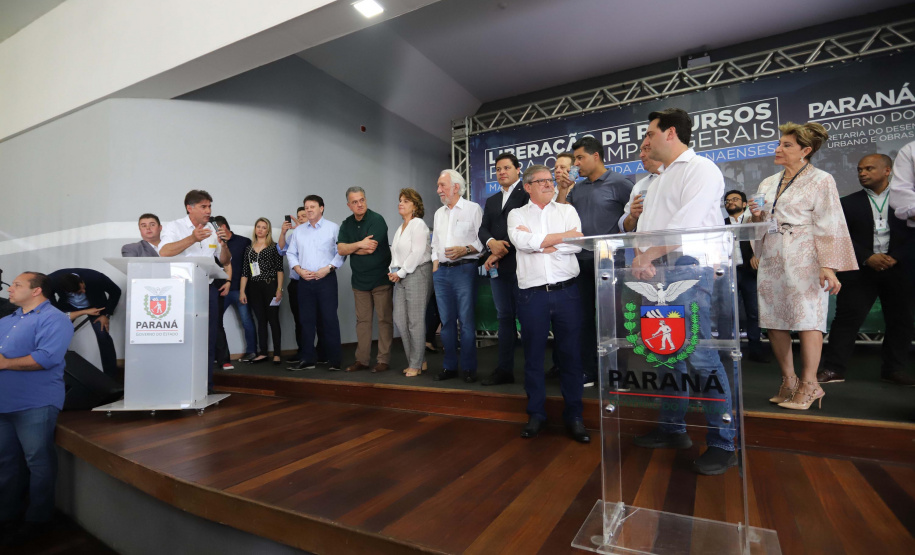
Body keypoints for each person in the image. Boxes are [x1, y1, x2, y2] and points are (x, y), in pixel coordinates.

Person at [630, 108, 738, 476]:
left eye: (650, 133)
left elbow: (687, 223)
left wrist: (648, 256)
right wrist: (641, 257)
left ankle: (724, 442)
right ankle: (673, 429)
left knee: (701, 357)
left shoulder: (701, 169)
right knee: (668, 353)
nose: (646, 140)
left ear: (670, 132)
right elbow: (645, 229)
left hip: (689, 267)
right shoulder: (657, 179)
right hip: (657, 270)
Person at [749, 122, 857, 410]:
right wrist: (756, 218)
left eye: (787, 145)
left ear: (806, 151)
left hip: (805, 254)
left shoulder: (822, 179)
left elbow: (830, 223)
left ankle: (811, 385)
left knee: (808, 319)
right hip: (772, 253)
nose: (778, 149)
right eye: (779, 143)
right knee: (773, 319)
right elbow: (758, 223)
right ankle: (789, 381)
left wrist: (829, 266)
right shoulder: (767, 182)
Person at [508, 165, 589, 443]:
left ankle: (575, 416)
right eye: (540, 181)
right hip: (532, 295)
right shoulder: (516, 214)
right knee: (532, 356)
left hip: (567, 292)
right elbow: (521, 241)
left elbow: (577, 244)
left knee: (571, 356)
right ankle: (536, 414)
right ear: (527, 186)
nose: (548, 184)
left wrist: (539, 243)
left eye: (550, 180)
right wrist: (555, 240)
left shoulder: (566, 210)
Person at [818, 154, 914, 386]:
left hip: (900, 268)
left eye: (869, 168)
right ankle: (833, 369)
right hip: (860, 270)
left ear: (887, 171)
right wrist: (867, 257)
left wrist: (895, 257)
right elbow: (841, 236)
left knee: (900, 321)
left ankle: (894, 370)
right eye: (860, 169)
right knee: (846, 320)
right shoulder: (847, 203)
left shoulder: (908, 202)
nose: (862, 173)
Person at [0, 272, 74, 543]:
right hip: (4, 402)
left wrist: (5, 363)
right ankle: (7, 515)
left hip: (35, 403)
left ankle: (38, 520)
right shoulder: (7, 320)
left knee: (38, 462)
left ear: (36, 291)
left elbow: (47, 357)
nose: (10, 289)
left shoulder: (55, 318)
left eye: (17, 285)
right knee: (6, 462)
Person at [557, 135, 632, 387]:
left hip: (611, 262)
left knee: (614, 319)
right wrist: (564, 190)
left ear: (596, 156)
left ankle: (618, 372)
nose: (576, 164)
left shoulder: (620, 183)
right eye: (575, 158)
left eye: (580, 158)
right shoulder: (577, 188)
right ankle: (589, 370)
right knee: (584, 320)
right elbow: (560, 216)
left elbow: (633, 221)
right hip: (580, 262)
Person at [159, 190, 231, 391]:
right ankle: (177, 385)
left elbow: (224, 261)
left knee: (207, 338)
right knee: (180, 338)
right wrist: (192, 238)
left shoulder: (213, 229)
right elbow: (164, 252)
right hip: (179, 290)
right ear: (189, 208)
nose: (208, 211)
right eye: (204, 206)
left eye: (210, 206)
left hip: (206, 289)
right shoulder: (175, 227)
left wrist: (223, 244)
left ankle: (205, 385)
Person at [479, 152, 529, 386]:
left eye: (506, 168)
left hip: (522, 266)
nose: (502, 172)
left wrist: (498, 251)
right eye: (498, 169)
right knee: (504, 318)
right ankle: (504, 369)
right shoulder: (491, 200)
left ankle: (533, 370)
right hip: (498, 268)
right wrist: (491, 245)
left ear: (518, 169)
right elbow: (483, 230)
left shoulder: (527, 194)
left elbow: (526, 228)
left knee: (529, 319)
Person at [431, 169, 483, 383]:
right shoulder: (438, 213)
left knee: (467, 322)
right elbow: (434, 244)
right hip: (441, 272)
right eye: (438, 186)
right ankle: (449, 366)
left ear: (456, 187)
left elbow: (483, 241)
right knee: (446, 322)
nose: (438, 190)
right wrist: (435, 264)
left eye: (442, 185)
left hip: (464, 270)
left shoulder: (473, 209)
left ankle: (469, 368)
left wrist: (466, 249)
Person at [336, 187, 394, 373]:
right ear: (349, 205)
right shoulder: (346, 224)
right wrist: (360, 244)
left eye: (362, 200)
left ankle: (383, 360)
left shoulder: (377, 220)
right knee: (362, 322)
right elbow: (340, 250)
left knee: (384, 320)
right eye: (355, 202)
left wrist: (352, 247)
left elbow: (370, 249)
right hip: (359, 281)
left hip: (380, 279)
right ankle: (362, 360)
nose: (359, 204)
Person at [286, 195, 344, 371]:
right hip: (304, 281)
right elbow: (291, 253)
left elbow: (340, 252)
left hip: (325, 279)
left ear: (322, 208)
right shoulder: (299, 231)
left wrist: (329, 268)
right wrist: (298, 270)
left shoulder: (333, 228)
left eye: (312, 207)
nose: (309, 210)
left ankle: (334, 361)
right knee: (306, 321)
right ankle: (308, 359)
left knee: (329, 320)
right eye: (306, 207)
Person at [388, 188, 433, 377]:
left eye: (406, 201)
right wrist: (391, 271)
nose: (401, 203)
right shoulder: (400, 227)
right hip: (400, 275)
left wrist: (402, 271)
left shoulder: (418, 224)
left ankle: (415, 363)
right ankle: (418, 360)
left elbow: (416, 253)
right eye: (400, 200)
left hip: (417, 273)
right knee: (400, 319)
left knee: (415, 321)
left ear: (415, 205)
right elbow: (395, 253)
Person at [721, 189, 768, 363]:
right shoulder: (720, 223)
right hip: (727, 273)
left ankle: (755, 351)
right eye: (727, 200)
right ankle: (725, 352)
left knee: (754, 312)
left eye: (735, 199)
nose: (730, 202)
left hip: (748, 272)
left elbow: (763, 239)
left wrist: (757, 254)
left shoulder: (751, 220)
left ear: (745, 204)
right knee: (726, 313)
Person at [47, 268, 121, 379]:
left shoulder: (95, 277)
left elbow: (116, 291)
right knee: (57, 337)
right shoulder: (51, 281)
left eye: (83, 288)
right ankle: (60, 373)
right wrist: (58, 313)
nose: (84, 292)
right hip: (68, 307)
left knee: (103, 335)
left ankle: (110, 377)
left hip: (96, 307)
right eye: (79, 292)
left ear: (81, 281)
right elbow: (48, 296)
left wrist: (106, 314)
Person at [278, 207, 326, 365]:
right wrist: (284, 233)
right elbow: (281, 250)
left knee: (318, 319)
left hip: (314, 281)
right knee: (299, 320)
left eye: (303, 216)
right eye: (298, 217)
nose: (300, 219)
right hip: (296, 283)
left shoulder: (318, 234)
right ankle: (304, 351)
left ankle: (321, 352)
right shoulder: (294, 236)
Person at [213, 216, 258, 367]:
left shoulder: (244, 242)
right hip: (221, 289)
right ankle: (218, 355)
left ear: (224, 227)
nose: (215, 233)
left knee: (246, 321)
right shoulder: (214, 243)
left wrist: (247, 289)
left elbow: (252, 266)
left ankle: (252, 351)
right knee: (215, 321)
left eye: (217, 229)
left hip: (240, 289)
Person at [240, 218, 284, 365]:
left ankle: (277, 353)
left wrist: (279, 289)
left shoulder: (274, 247)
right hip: (254, 287)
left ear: (268, 230)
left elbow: (280, 270)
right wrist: (242, 291)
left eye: (264, 227)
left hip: (270, 285)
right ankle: (263, 352)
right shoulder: (249, 249)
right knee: (261, 321)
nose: (260, 229)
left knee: (273, 319)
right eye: (258, 227)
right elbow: (245, 272)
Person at [619, 138, 661, 232]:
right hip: (646, 245)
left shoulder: (680, 176)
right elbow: (624, 227)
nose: (641, 155)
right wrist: (632, 217)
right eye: (641, 150)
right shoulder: (640, 186)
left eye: (646, 149)